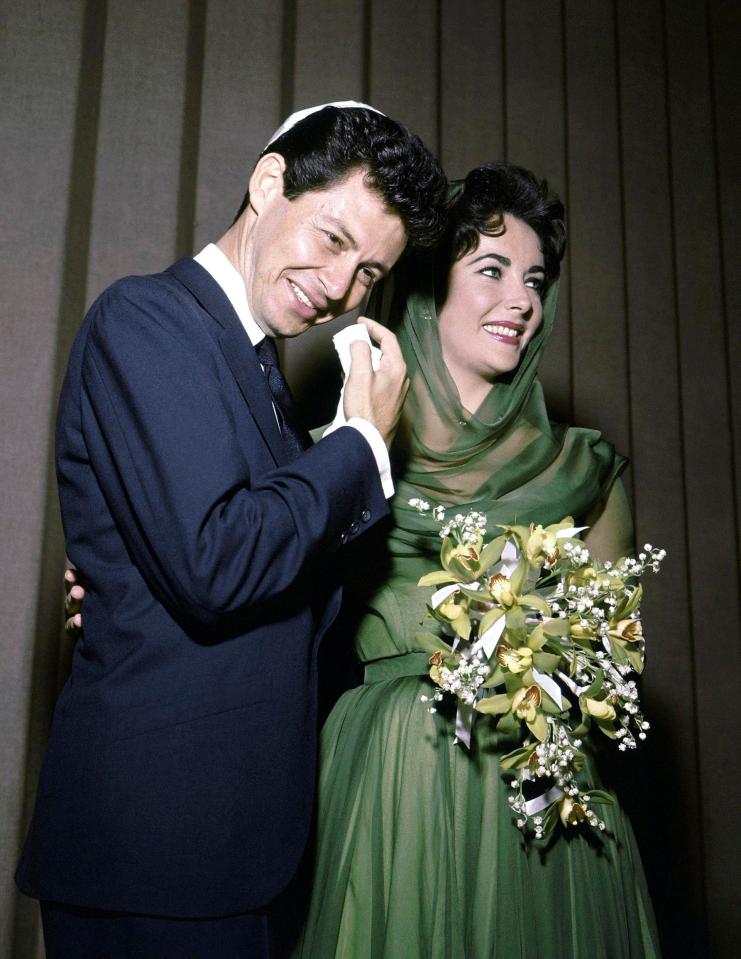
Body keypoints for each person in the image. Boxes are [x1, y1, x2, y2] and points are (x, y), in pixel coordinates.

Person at [15, 103, 447, 958]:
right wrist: (362, 442)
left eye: (368, 273)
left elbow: (290, 611)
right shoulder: (148, 320)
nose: (339, 287)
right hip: (151, 851)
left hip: (236, 856)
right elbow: (217, 562)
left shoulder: (268, 386)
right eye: (331, 240)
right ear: (266, 183)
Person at [285, 163, 661, 958]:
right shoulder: (342, 447)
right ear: (427, 288)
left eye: (533, 280)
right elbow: (245, 579)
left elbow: (615, 662)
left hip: (545, 800)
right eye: (490, 270)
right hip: (395, 787)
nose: (520, 300)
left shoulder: (584, 472)